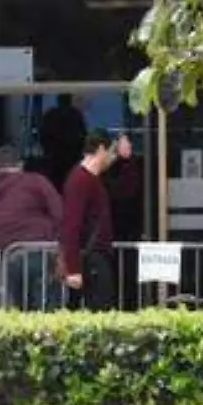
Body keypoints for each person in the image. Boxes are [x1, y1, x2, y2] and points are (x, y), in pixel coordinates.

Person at [0, 145, 66, 310]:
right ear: (20, 165)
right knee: (46, 315)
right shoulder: (36, 181)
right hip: (42, 254)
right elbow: (61, 215)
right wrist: (63, 254)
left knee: (12, 317)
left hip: (9, 256)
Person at [57, 132, 118, 311]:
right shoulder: (81, 180)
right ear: (101, 149)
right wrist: (73, 269)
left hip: (93, 256)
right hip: (91, 258)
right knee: (100, 310)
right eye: (112, 152)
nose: (113, 158)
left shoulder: (89, 179)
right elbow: (71, 225)